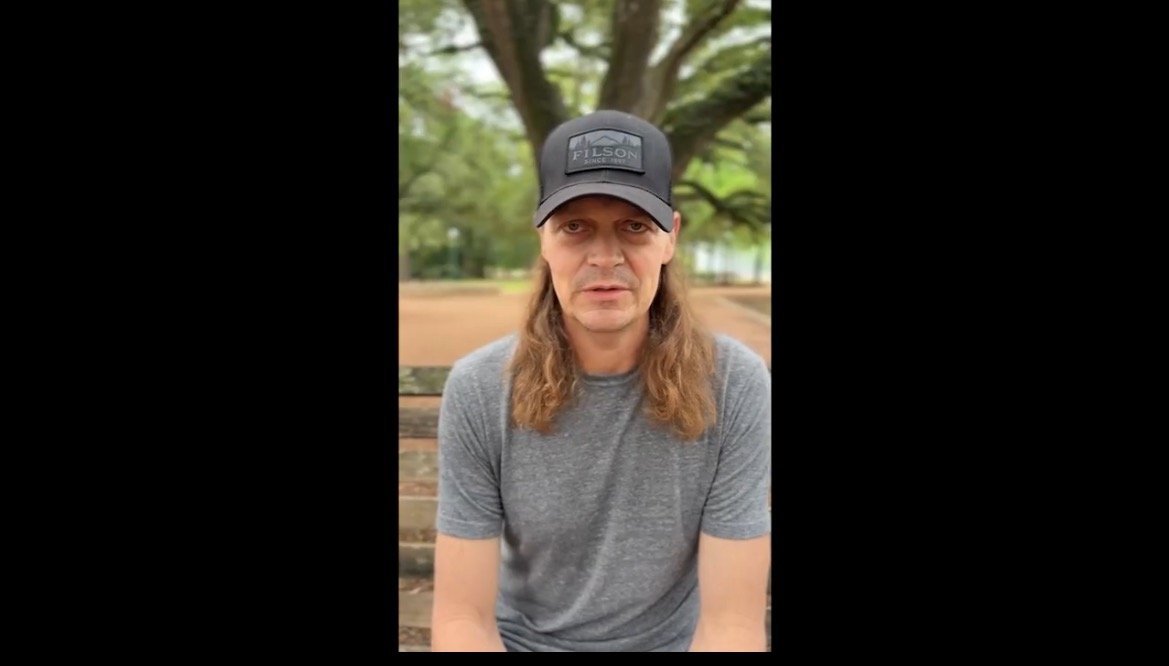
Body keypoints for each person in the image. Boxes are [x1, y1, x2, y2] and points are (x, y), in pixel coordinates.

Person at [429, 110, 771, 652]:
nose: (606, 258)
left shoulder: (733, 384)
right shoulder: (479, 388)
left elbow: (731, 625)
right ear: (543, 239)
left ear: (669, 238)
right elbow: (462, 621)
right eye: (575, 227)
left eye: (635, 227)